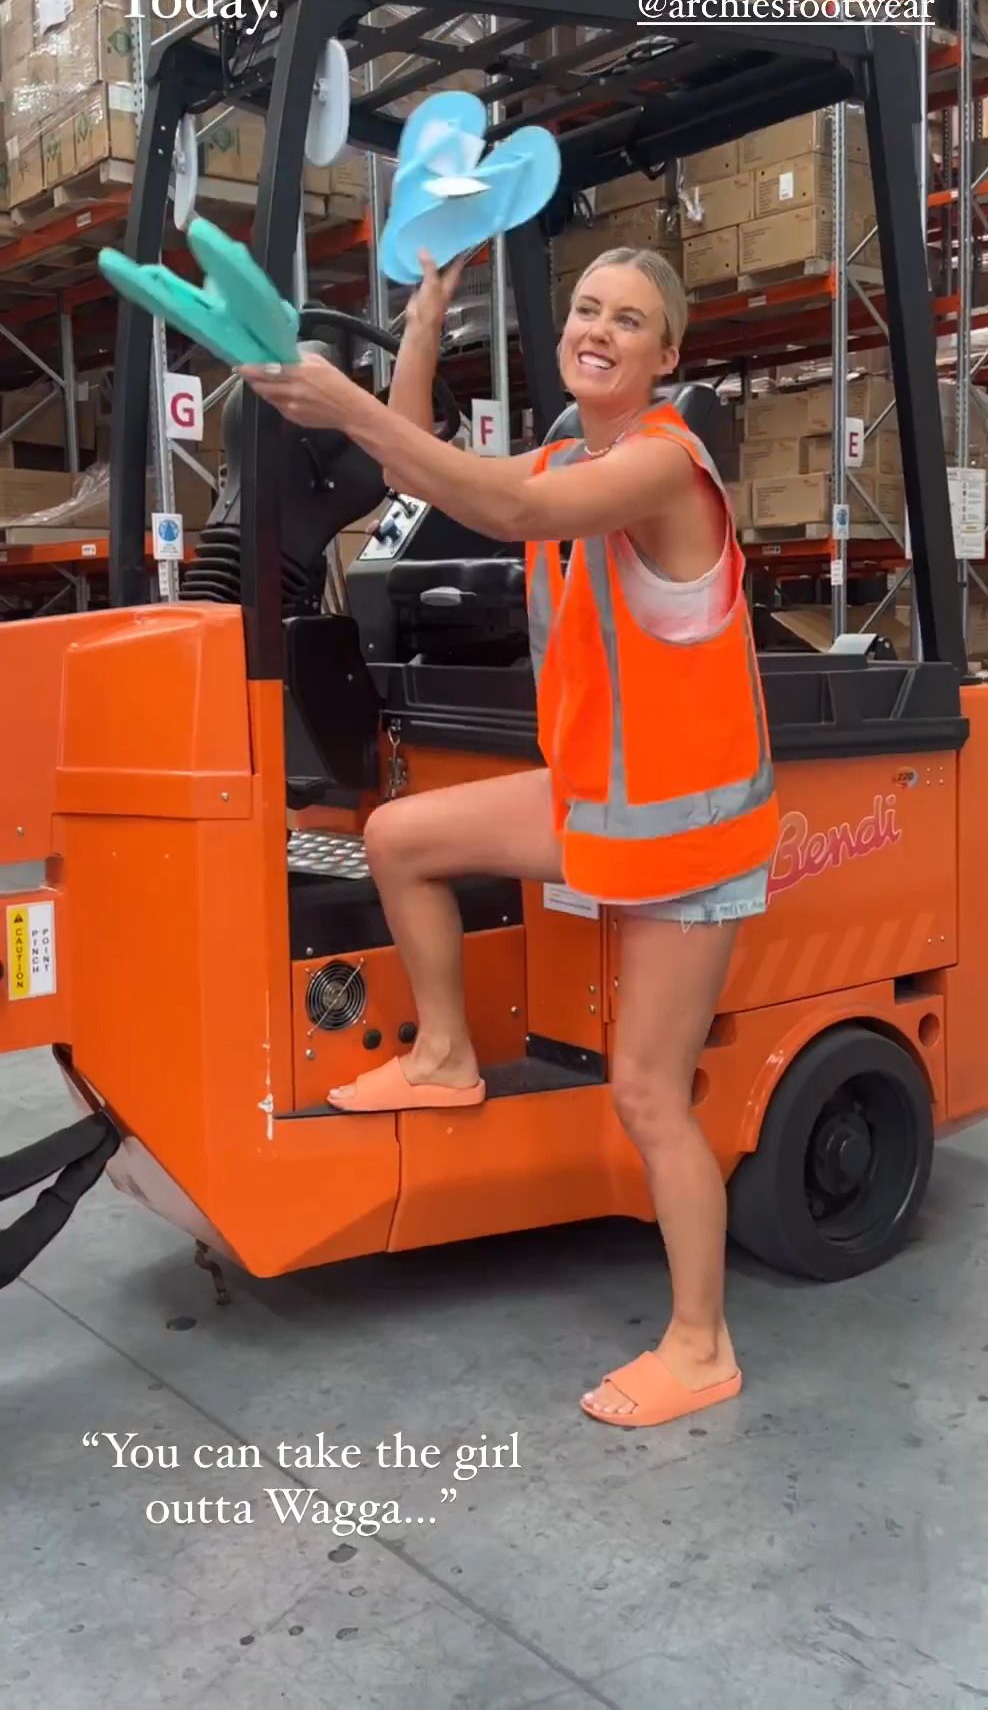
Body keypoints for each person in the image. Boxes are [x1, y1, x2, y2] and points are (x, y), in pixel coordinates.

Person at [238, 243, 780, 1430]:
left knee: (648, 1094)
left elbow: (515, 511)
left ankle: (702, 1345)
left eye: (627, 319)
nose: (598, 330)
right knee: (399, 838)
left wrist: (336, 401)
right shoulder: (567, 455)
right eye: (586, 309)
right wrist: (420, 329)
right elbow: (421, 471)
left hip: (686, 838)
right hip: (600, 802)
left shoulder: (663, 464)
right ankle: (445, 1055)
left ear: (666, 356)